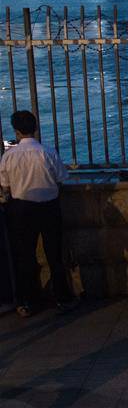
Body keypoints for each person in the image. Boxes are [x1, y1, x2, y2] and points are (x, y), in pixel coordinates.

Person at [0, 111, 77, 317]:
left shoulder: (8, 156)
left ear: (16, 132)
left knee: (26, 255)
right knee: (55, 254)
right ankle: (63, 297)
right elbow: (61, 178)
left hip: (20, 209)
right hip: (49, 207)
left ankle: (30, 301)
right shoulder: (48, 152)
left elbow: (5, 186)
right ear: (35, 129)